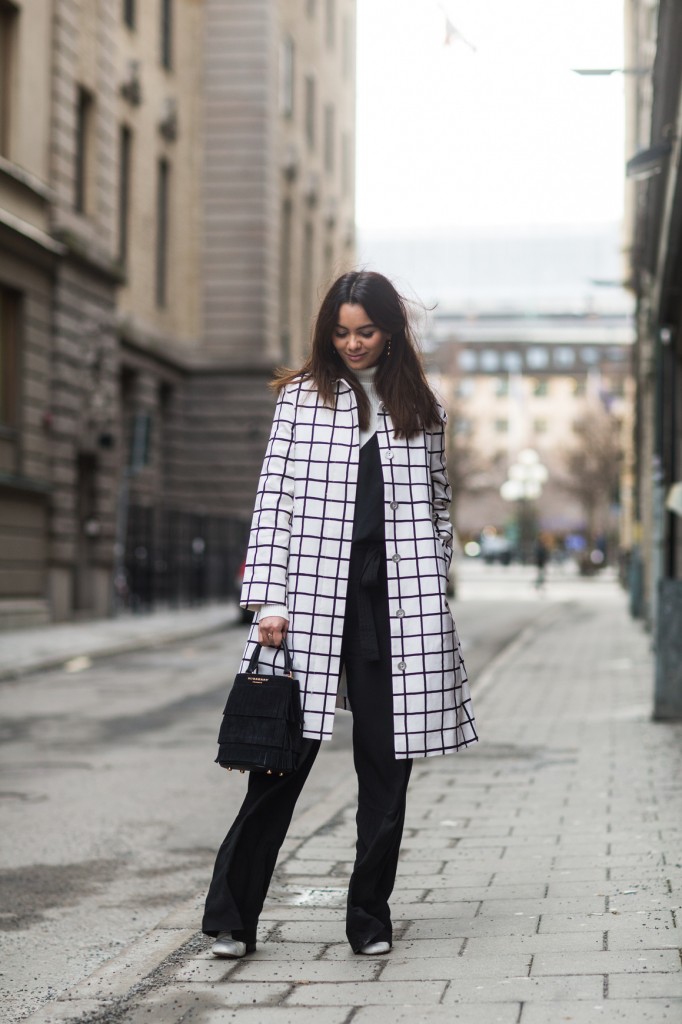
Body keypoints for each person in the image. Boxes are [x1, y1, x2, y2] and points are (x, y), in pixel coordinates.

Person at [202, 270, 478, 959]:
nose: (352, 344)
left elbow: (440, 505)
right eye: (341, 331)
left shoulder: (423, 406)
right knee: (277, 768)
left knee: (387, 772)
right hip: (312, 608)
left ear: (390, 332)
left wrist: (432, 578)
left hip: (397, 614)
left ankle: (369, 918)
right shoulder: (301, 399)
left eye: (366, 331)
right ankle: (233, 918)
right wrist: (269, 597)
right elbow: (273, 501)